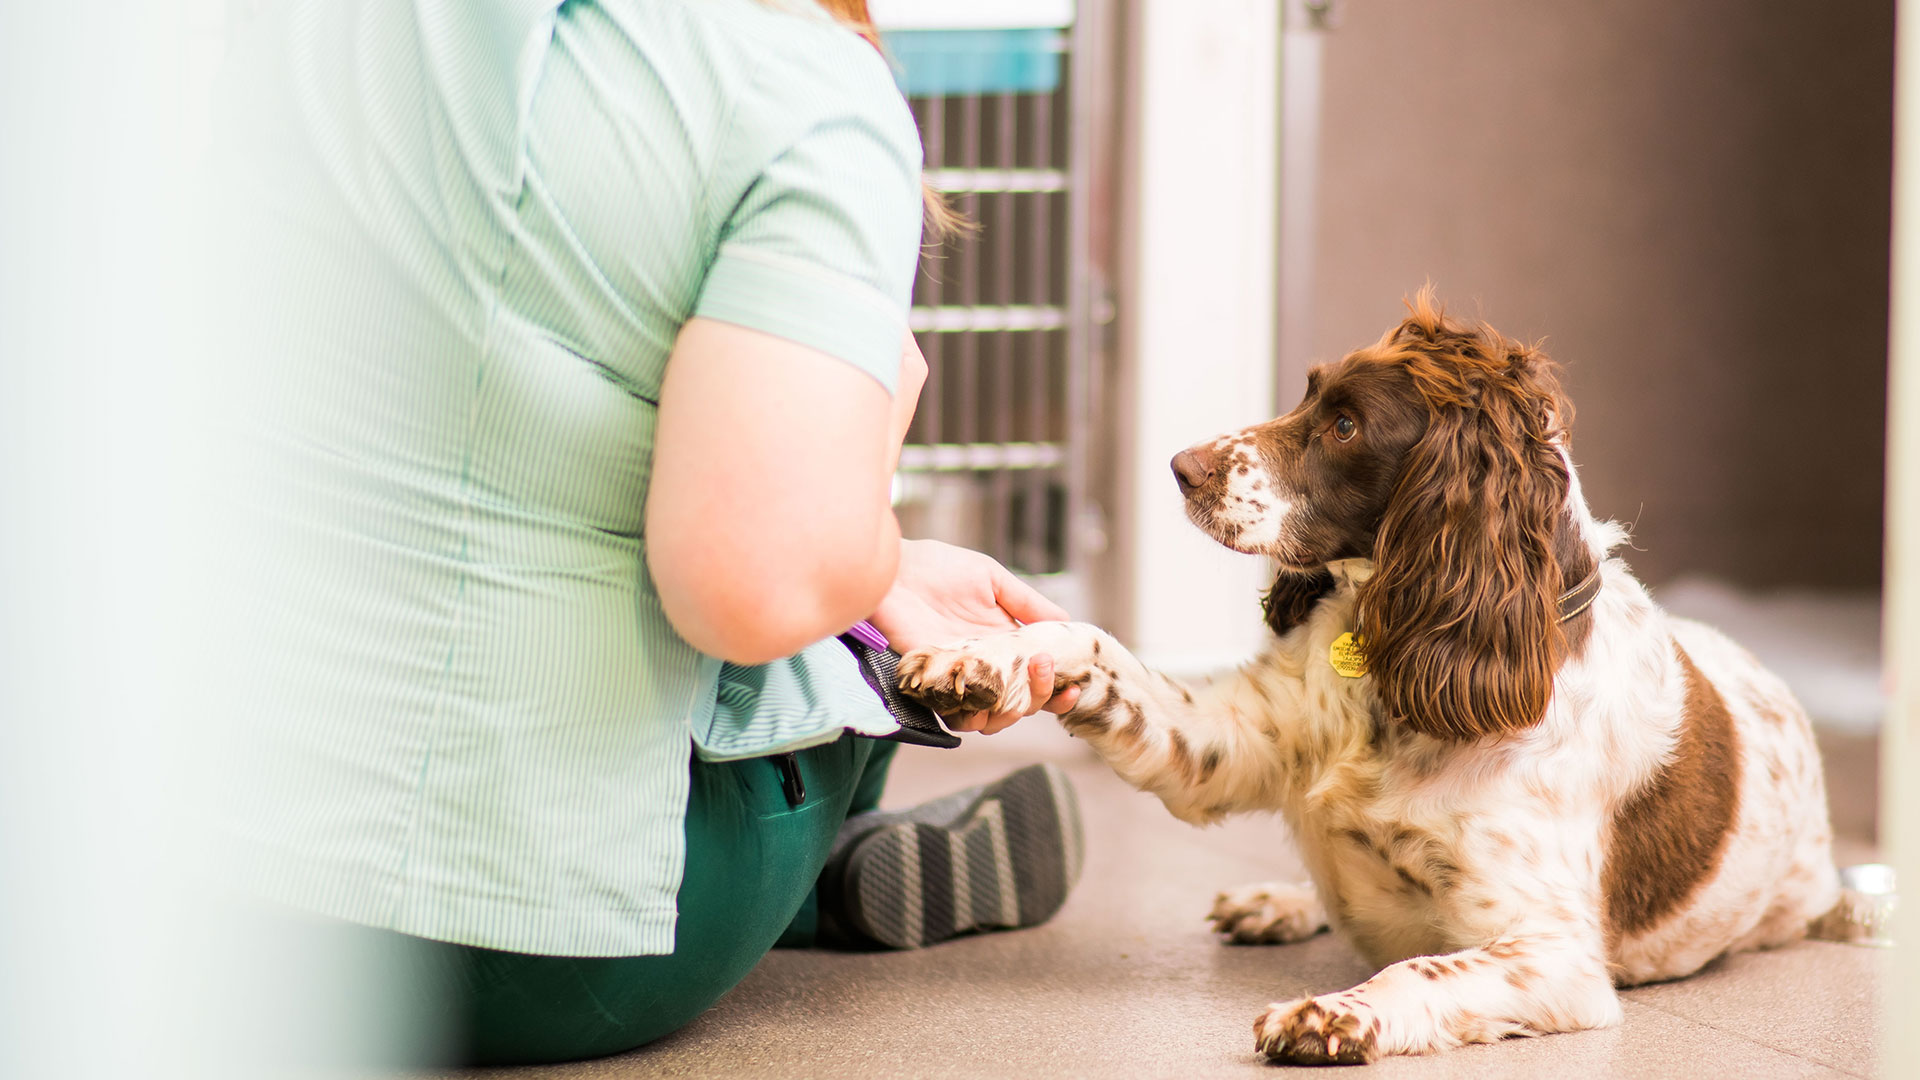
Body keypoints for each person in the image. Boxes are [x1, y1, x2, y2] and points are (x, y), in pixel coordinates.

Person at [202, 0, 1083, 1066]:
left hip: (149, 908)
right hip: (503, 954)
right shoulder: (798, 89)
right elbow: (752, 587)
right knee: (853, 662)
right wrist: (872, 535)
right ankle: (813, 875)